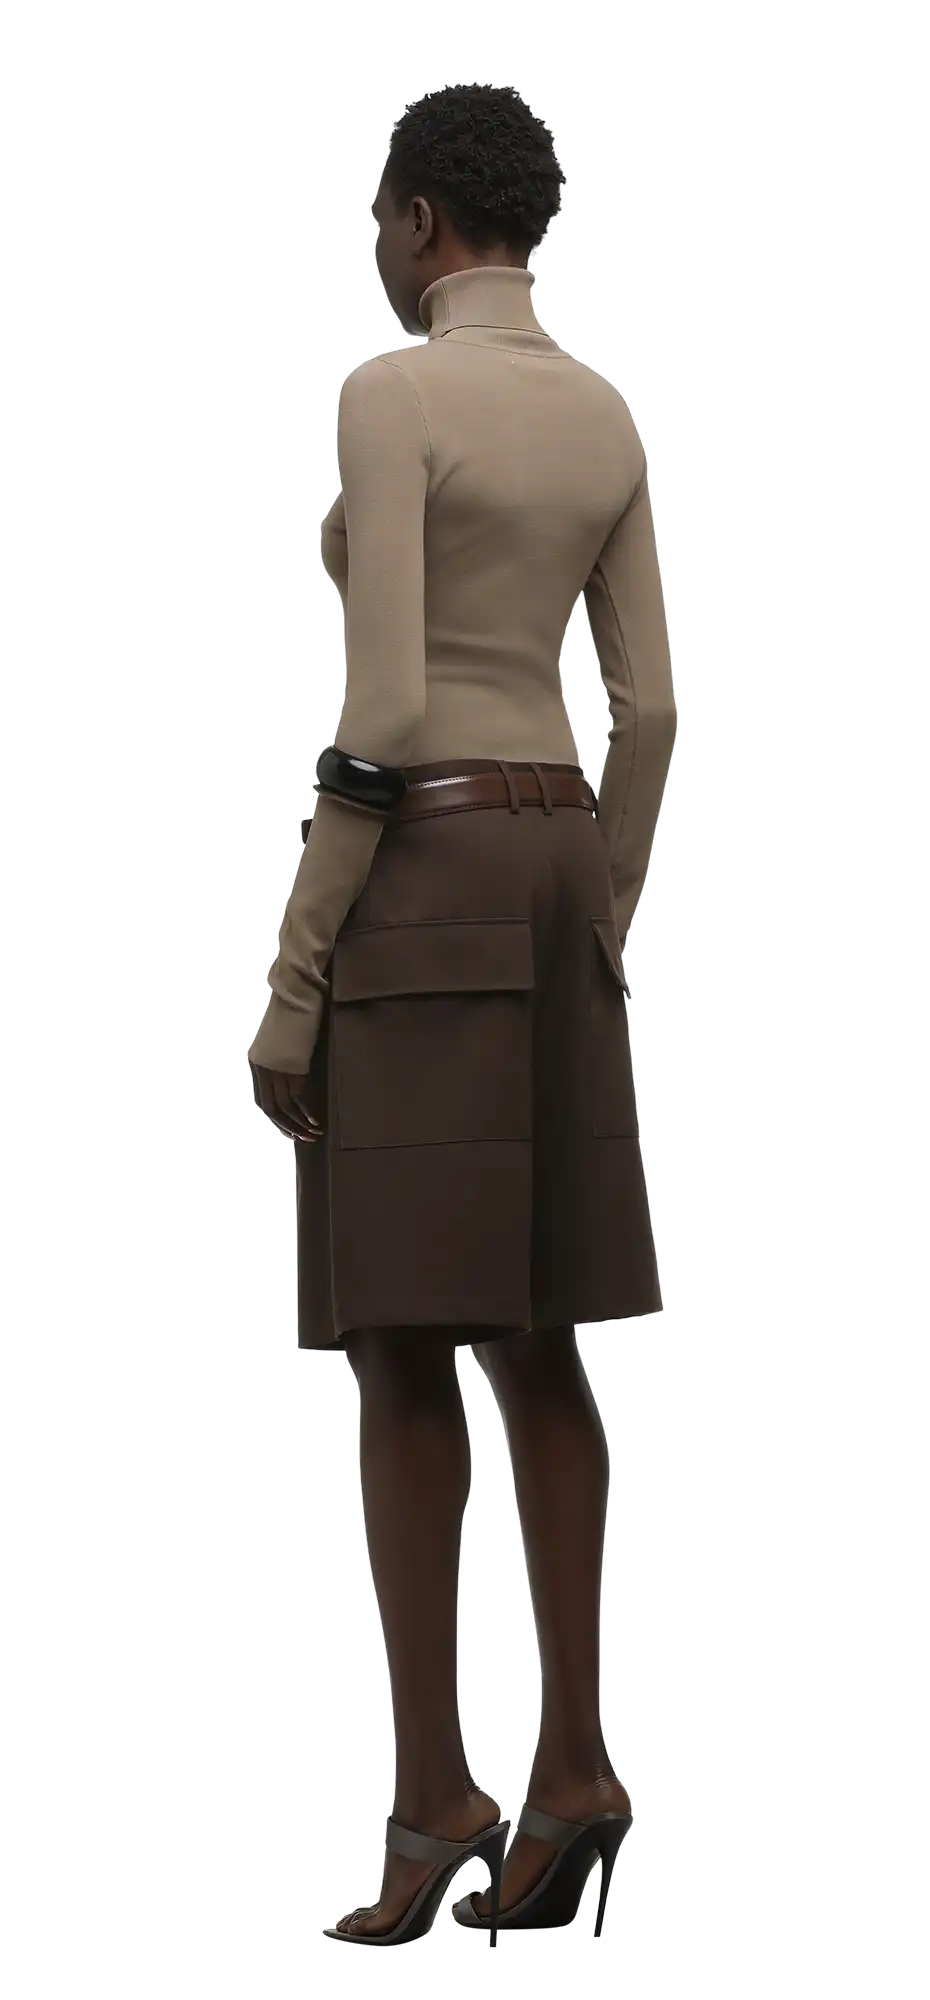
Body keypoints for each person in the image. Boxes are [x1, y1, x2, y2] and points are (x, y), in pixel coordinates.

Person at [247, 81, 678, 1948]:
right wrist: (602, 908)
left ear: (421, 219)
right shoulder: (605, 412)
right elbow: (649, 710)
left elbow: (387, 710)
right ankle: (573, 1775)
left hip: (419, 868)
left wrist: (295, 974)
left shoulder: (389, 392)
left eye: (378, 214)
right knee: (538, 1332)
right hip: (562, 850)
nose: (374, 245)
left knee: (403, 1342)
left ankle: (435, 1809)